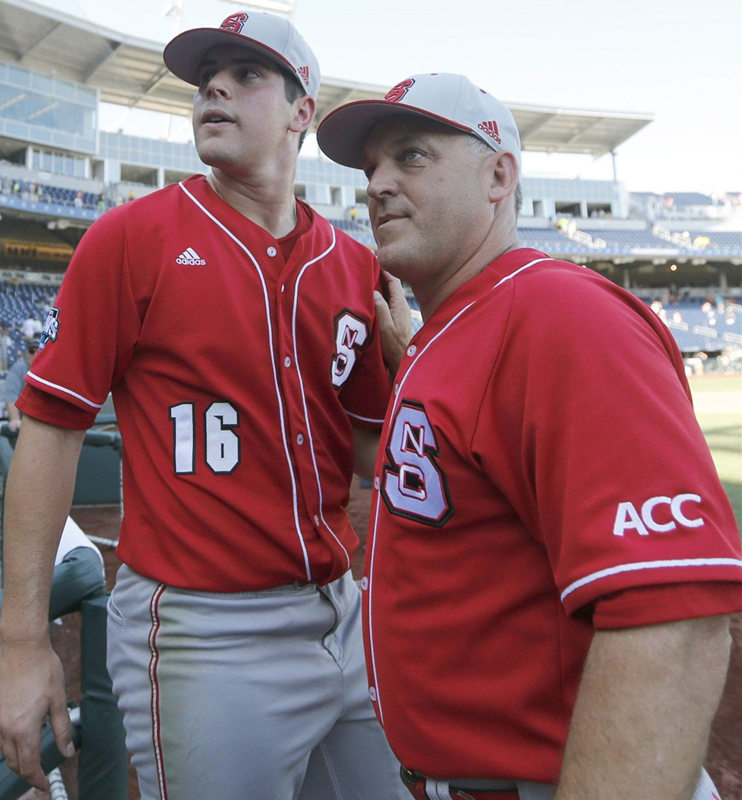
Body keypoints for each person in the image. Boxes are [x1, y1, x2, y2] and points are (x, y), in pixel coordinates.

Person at [0, 12, 407, 800]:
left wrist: (410, 368)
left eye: (247, 73)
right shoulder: (130, 239)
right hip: (203, 633)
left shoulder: (357, 267)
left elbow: (369, 452)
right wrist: (20, 639)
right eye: (207, 75)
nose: (214, 85)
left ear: (302, 112)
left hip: (344, 613)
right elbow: (51, 430)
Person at [316, 72, 742, 800]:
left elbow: (675, 620)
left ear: (499, 175)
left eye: (411, 156)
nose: (379, 183)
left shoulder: (561, 315)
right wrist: (409, 353)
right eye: (371, 167)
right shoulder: (451, 329)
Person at [2, 337, 39, 431]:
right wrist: (15, 419)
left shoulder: (47, 369)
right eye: (31, 351)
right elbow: (11, 395)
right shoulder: (19, 367)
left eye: (38, 350)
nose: (35, 354)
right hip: (23, 416)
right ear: (26, 353)